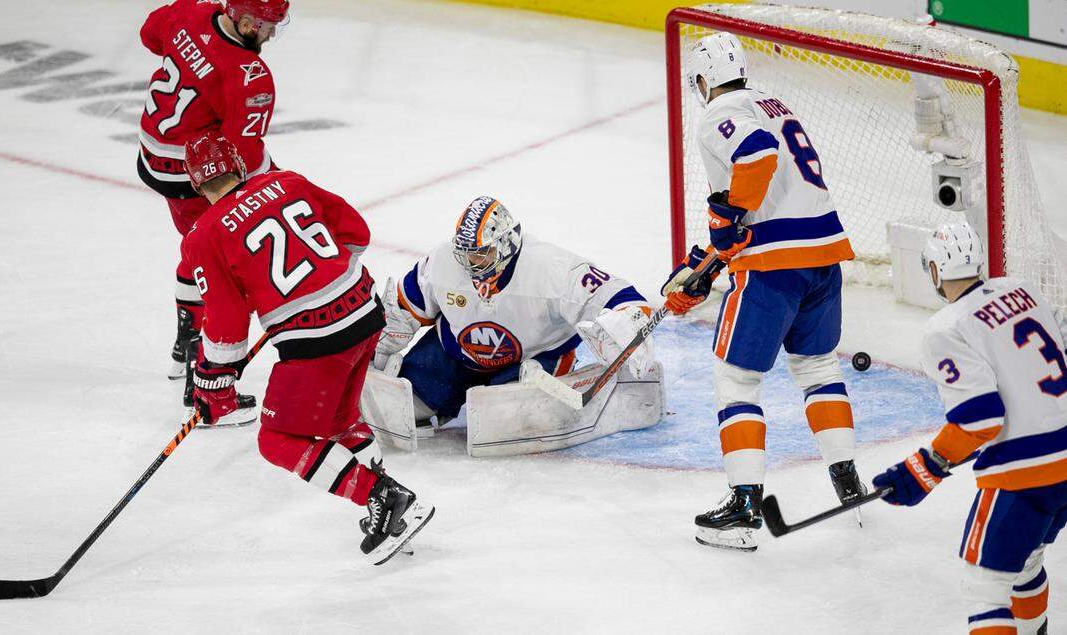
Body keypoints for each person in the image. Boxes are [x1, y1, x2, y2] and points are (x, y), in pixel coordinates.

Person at [180, 131, 433, 564]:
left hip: (318, 340)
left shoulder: (202, 236)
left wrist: (212, 381)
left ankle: (386, 499)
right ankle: (385, 501)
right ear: (239, 165)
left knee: (276, 438)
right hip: (367, 310)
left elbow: (225, 324)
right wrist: (319, 282)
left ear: (195, 183)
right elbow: (355, 232)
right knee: (340, 420)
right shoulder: (288, 181)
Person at [662, 32, 862, 552]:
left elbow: (756, 154)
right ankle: (848, 484)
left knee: (738, 378)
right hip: (824, 255)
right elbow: (765, 195)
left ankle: (745, 505)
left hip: (775, 268)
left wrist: (726, 218)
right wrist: (712, 253)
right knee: (818, 368)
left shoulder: (717, 113)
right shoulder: (772, 103)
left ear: (702, 80)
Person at [873, 222, 1065, 635]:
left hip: (1025, 475)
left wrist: (922, 468)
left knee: (985, 587)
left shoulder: (946, 329)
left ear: (936, 272)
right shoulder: (1025, 289)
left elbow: (980, 419)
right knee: (1026, 562)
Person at [372, 196, 656, 428]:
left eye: (480, 254)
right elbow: (406, 305)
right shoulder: (443, 261)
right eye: (466, 254)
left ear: (506, 243)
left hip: (533, 357)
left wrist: (627, 321)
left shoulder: (550, 268)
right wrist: (385, 338)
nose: (470, 264)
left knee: (506, 421)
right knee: (400, 409)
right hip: (455, 353)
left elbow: (619, 296)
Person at [136, 0, 286, 392]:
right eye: (270, 25)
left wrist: (192, 59)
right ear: (249, 22)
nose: (273, 34)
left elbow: (149, 32)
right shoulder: (249, 75)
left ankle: (185, 344)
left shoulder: (192, 11)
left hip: (154, 153)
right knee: (217, 259)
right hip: (192, 175)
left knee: (195, 245)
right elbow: (244, 154)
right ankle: (199, 372)